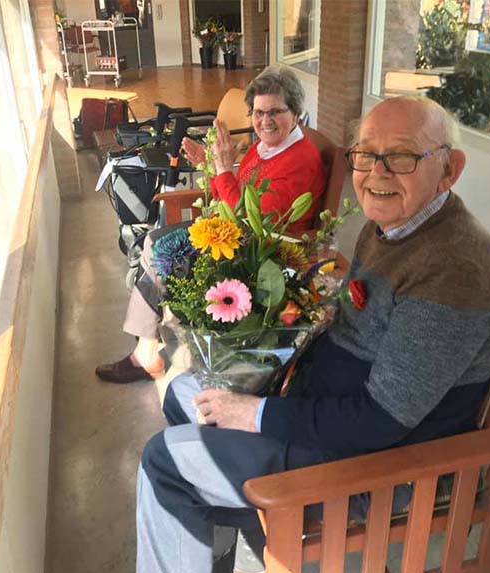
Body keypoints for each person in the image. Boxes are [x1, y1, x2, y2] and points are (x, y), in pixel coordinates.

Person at [134, 96, 490, 573]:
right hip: (321, 412)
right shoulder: (396, 226)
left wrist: (256, 413)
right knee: (185, 393)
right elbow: (366, 322)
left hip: (375, 464)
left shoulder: (455, 269)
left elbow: (380, 421)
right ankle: (212, 564)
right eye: (365, 154)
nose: (376, 173)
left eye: (401, 156)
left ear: (449, 169)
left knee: (166, 461)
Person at [96, 67, 327, 383]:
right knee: (155, 242)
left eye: (276, 111)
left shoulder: (299, 159)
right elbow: (229, 198)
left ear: (296, 113)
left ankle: (146, 354)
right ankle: (147, 349)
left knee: (158, 246)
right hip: (234, 234)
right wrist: (210, 165)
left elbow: (249, 219)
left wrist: (221, 169)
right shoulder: (264, 147)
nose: (265, 121)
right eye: (258, 112)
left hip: (263, 250)